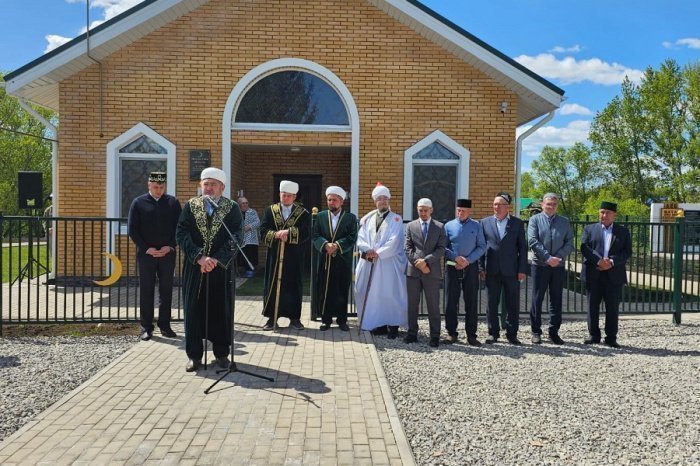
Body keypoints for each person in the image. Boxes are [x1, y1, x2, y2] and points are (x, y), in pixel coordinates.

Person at [176, 167, 242, 372]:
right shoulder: (190, 206)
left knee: (221, 310)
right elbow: (181, 233)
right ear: (200, 186)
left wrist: (216, 260)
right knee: (193, 310)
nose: (209, 188)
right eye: (206, 184)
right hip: (195, 269)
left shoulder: (232, 208)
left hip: (221, 270)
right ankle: (194, 356)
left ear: (222, 187)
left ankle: (222, 354)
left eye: (213, 184)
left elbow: (237, 236)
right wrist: (199, 257)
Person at [127, 171, 181, 341]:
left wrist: (170, 246)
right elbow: (132, 229)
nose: (159, 190)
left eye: (162, 187)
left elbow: (179, 228)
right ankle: (146, 327)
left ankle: (165, 325)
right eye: (156, 187)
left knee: (166, 290)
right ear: (149, 185)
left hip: (167, 254)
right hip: (146, 254)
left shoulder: (172, 202)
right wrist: (146, 248)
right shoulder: (138, 202)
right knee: (146, 290)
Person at [355, 183, 408, 338]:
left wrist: (377, 253)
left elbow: (395, 241)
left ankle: (393, 326)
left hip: (388, 264)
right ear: (375, 201)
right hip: (370, 262)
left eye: (385, 198)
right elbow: (361, 238)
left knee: (389, 294)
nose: (382, 202)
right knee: (372, 294)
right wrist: (367, 250)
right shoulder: (368, 220)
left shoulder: (396, 219)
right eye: (379, 199)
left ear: (388, 200)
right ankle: (377, 324)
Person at [260, 180, 311, 330]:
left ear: (295, 197)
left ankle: (294, 318)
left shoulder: (303, 213)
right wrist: (276, 234)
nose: (286, 198)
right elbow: (263, 231)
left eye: (289, 196)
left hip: (294, 257)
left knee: (293, 285)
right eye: (284, 195)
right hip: (274, 256)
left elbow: (307, 232)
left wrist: (289, 233)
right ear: (279, 194)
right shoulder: (270, 211)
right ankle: (271, 318)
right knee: (272, 285)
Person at [580, 201, 632, 348]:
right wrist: (599, 261)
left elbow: (627, 251)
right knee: (592, 306)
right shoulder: (589, 229)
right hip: (594, 273)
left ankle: (611, 337)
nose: (604, 215)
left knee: (612, 307)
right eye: (602, 212)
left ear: (614, 215)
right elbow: (584, 248)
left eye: (608, 213)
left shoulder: (623, 232)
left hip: (614, 275)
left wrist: (611, 262)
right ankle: (594, 335)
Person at [479, 192, 527, 345]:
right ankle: (493, 333)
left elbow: (522, 249)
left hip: (511, 270)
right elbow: (481, 246)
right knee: (491, 303)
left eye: (500, 204)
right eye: (494, 204)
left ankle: (512, 334)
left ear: (507, 207)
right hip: (491, 270)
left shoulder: (517, 223)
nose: (496, 207)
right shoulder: (484, 222)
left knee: (512, 303)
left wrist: (522, 270)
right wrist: (481, 267)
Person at [527, 193, 574, 345]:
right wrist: (547, 258)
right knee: (537, 299)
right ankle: (536, 332)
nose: (551, 206)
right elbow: (533, 241)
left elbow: (569, 242)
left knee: (556, 299)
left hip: (558, 266)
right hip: (540, 266)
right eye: (548, 204)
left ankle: (554, 332)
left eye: (554, 204)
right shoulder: (535, 220)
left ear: (557, 206)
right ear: (542, 204)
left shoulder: (564, 222)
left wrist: (557, 257)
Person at [312, 186, 358, 331]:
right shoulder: (320, 216)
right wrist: (325, 244)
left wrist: (337, 245)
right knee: (325, 288)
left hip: (342, 260)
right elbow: (315, 235)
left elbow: (352, 237)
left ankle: (342, 320)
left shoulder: (350, 218)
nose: (331, 202)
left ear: (341, 201)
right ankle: (326, 319)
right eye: (329, 200)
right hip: (325, 259)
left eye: (334, 200)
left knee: (341, 289)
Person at [444, 199, 487, 346]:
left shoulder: (477, 226)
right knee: (451, 301)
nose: (460, 213)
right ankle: (451, 333)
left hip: (470, 267)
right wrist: (456, 258)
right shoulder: (448, 225)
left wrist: (467, 260)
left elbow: (482, 246)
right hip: (452, 266)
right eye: (458, 210)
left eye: (463, 210)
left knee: (471, 301)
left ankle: (471, 335)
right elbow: (443, 246)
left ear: (469, 211)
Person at [404, 198, 446, 347]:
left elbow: (441, 249)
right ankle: (412, 333)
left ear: (431, 210)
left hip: (431, 271)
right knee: (412, 305)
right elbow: (407, 248)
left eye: (425, 210)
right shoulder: (410, 226)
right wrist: (419, 263)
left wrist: (426, 261)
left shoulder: (440, 227)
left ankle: (435, 336)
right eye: (420, 210)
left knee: (433, 305)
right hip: (413, 271)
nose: (422, 213)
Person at [237, 196, 260, 278]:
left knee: (250, 253)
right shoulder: (236, 212)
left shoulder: (252, 212)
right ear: (239, 204)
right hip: (240, 238)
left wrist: (249, 226)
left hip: (251, 237)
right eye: (243, 203)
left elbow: (257, 222)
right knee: (241, 254)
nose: (245, 204)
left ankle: (250, 270)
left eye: (246, 203)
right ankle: (241, 270)